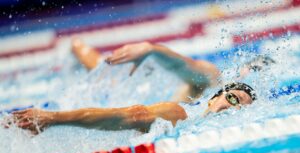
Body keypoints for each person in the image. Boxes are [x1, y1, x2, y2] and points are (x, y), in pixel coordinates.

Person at [11, 82, 256, 135]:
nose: (233, 108)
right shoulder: (178, 114)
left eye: (242, 108)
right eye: (233, 99)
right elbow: (123, 116)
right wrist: (52, 118)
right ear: (213, 99)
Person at [71, 39, 221, 102]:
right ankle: (75, 45)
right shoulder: (213, 77)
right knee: (103, 71)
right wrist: (150, 49)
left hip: (144, 92)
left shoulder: (216, 88)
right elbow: (180, 65)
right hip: (136, 87)